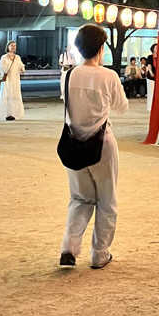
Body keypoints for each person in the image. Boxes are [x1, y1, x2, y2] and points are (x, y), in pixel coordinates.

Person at [59, 24, 128, 270]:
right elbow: (122, 107)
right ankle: (100, 253)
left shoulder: (67, 75)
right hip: (102, 144)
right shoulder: (108, 76)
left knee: (80, 198)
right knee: (107, 200)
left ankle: (69, 247)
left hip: (73, 144)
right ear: (101, 48)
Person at [0, 41, 25, 121]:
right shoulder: (4, 57)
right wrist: (8, 65)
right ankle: (7, 114)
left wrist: (22, 69)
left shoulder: (18, 57)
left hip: (15, 79)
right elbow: (1, 68)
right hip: (7, 79)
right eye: (11, 45)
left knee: (15, 96)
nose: (13, 47)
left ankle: (14, 113)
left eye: (15, 46)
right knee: (7, 95)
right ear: (8, 47)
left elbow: (21, 66)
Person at [145, 44, 158, 112]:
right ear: (153, 49)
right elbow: (149, 66)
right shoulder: (150, 57)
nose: (157, 48)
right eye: (156, 47)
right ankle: (150, 107)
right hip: (151, 77)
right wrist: (151, 73)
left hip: (158, 77)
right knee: (151, 92)